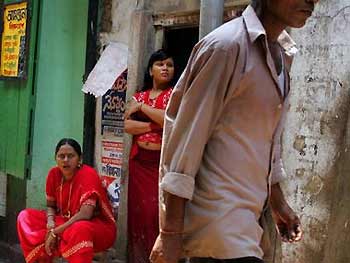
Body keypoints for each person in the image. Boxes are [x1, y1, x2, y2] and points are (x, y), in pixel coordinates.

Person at [150, 0, 319, 263]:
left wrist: (278, 203)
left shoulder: (282, 57)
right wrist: (169, 233)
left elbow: (266, 141)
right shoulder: (226, 48)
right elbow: (185, 141)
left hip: (247, 225)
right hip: (216, 229)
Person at [17, 138, 116, 263]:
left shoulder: (88, 174)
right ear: (55, 158)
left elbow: (86, 214)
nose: (65, 160)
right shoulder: (53, 174)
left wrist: (55, 232)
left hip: (94, 226)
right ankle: (42, 259)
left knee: (80, 229)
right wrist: (51, 222)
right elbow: (51, 206)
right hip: (65, 221)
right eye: (61, 156)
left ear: (79, 158)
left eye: (71, 156)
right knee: (25, 216)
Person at [124, 49, 175, 263]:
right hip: (139, 165)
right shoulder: (138, 95)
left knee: (156, 214)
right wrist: (154, 126)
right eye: (160, 64)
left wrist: (143, 109)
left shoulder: (174, 94)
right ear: (150, 70)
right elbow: (126, 124)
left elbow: (170, 121)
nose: (165, 68)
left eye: (170, 65)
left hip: (161, 166)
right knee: (138, 215)